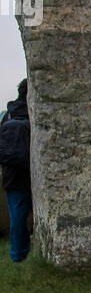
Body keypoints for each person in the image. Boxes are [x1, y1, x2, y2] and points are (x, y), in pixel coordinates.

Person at [0, 77, 34, 263]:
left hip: (12, 176)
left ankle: (18, 254)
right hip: (34, 175)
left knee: (17, 218)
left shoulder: (7, 115)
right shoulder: (36, 114)